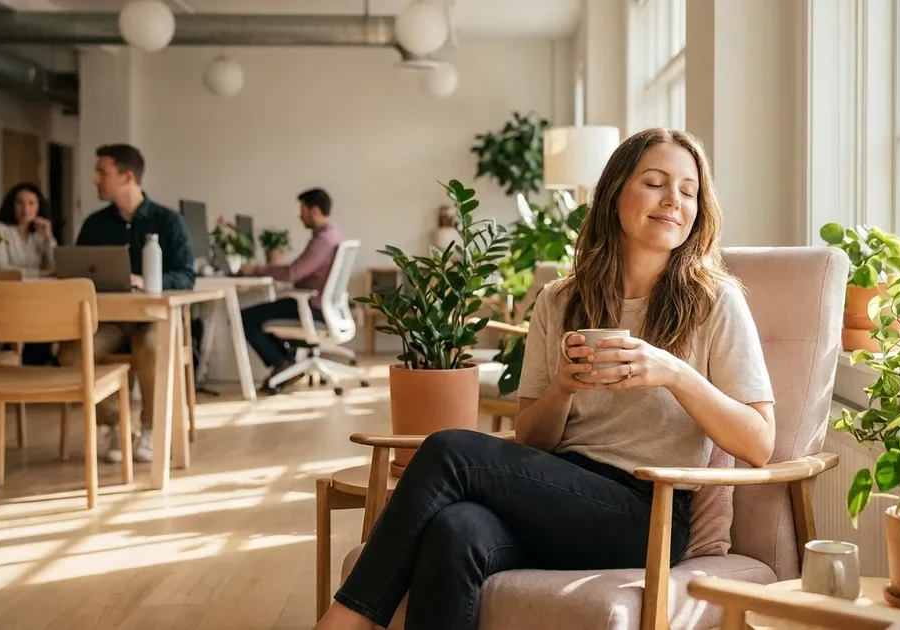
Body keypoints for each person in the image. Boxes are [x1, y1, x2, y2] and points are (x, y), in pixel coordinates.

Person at [316, 128, 777, 630]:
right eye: (655, 183)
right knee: (456, 529)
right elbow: (533, 440)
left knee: (448, 450)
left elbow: (758, 443)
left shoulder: (715, 302)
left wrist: (674, 373)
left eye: (688, 190)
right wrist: (562, 386)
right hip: (555, 491)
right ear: (615, 193)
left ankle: (345, 620)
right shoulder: (561, 300)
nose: (673, 200)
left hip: (649, 512)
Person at [58, 144, 196, 465]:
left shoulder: (169, 221)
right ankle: (117, 423)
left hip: (151, 318)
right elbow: (78, 273)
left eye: (102, 172)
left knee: (152, 348)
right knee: (71, 355)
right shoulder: (95, 224)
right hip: (108, 320)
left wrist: (144, 281)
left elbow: (186, 275)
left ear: (127, 176)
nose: (95, 179)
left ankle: (149, 428)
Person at [238, 188, 343, 393]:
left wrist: (255, 269)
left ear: (314, 211)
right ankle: (287, 364)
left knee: (243, 317)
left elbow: (293, 273)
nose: (300, 215)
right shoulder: (333, 233)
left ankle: (282, 364)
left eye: (302, 210)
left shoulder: (323, 240)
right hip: (323, 305)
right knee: (263, 312)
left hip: (312, 307)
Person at [0, 182, 59, 365]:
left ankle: (37, 362)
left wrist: (49, 238)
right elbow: (1, 269)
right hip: (7, 295)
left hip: (36, 296)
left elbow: (56, 267)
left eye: (31, 203)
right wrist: (41, 274)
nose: (25, 209)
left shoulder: (39, 234)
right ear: (11, 205)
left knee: (50, 310)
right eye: (20, 203)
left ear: (39, 207)